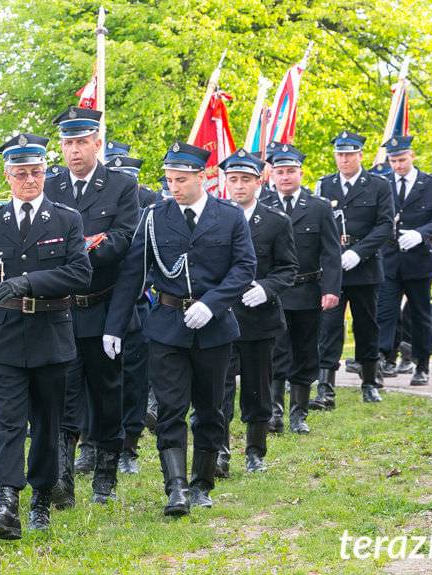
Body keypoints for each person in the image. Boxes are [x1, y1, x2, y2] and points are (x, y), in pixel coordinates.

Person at [0, 133, 92, 537]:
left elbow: (80, 273)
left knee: (46, 421)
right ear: (8, 176)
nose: (30, 180)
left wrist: (28, 282)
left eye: (37, 172)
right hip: (4, 335)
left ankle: (41, 497)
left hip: (50, 333)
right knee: (6, 420)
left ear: (45, 172)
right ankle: (5, 500)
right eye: (21, 173)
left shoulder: (65, 219)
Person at [103, 141, 256, 516]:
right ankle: (176, 489)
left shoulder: (229, 216)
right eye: (170, 179)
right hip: (168, 326)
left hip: (214, 327)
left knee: (210, 408)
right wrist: (115, 326)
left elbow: (244, 267)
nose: (174, 186)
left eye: (182, 179)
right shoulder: (154, 217)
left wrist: (212, 303)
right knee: (171, 409)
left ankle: (202, 483)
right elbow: (133, 274)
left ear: (202, 177)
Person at [44, 107, 139, 506]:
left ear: (97, 144)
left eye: (82, 142)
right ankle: (62, 478)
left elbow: (123, 242)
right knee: (63, 394)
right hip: (62, 310)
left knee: (106, 394)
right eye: (68, 143)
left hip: (102, 308)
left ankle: (105, 475)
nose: (74, 150)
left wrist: (78, 250)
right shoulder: (51, 187)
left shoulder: (119, 186)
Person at [217, 148, 298, 475]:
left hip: (259, 318)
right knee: (220, 387)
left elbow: (288, 268)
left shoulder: (276, 222)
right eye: (233, 179)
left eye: (245, 180)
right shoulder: (214, 217)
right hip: (221, 317)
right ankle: (219, 449)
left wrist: (266, 288)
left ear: (258, 182)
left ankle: (255, 450)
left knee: (256, 386)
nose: (239, 186)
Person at [257, 142, 341, 429]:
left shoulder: (318, 207)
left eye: (291, 171)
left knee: (306, 351)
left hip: (308, 290)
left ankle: (299, 413)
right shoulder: (263, 206)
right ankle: (275, 410)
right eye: (280, 172)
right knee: (277, 350)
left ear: (301, 174)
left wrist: (331, 289)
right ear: (271, 175)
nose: (285, 177)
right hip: (274, 293)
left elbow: (331, 252)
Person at [316, 131, 394, 403]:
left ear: (361, 155)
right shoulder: (324, 185)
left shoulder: (378, 185)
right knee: (329, 325)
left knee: (366, 325)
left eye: (350, 154)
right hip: (333, 267)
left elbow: (385, 225)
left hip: (365, 267)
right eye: (340, 154)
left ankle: (369, 381)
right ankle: (325, 385)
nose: (345, 159)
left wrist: (359, 253)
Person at [377, 136, 432, 386]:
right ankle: (383, 358)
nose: (397, 165)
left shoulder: (431, 185)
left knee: (420, 314)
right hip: (388, 258)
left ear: (412, 156)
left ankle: (422, 363)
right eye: (393, 160)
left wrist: (421, 234)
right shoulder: (382, 183)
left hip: (419, 259)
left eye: (402, 160)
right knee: (385, 312)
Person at [106, 150, 161, 474]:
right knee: (96, 383)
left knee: (135, 382)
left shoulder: (150, 210)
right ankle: (90, 445)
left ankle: (129, 447)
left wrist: (147, 284)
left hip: (138, 307)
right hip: (101, 303)